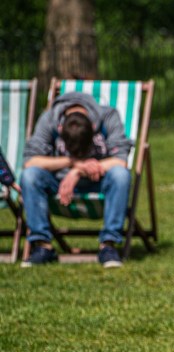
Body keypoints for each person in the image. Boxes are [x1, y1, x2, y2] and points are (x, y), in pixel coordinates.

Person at [20, 91, 132, 268]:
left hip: (97, 180)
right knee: (30, 175)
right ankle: (42, 246)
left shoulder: (108, 116)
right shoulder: (50, 119)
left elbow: (121, 160)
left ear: (93, 128)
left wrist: (76, 172)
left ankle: (108, 245)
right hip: (57, 182)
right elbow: (30, 161)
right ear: (60, 130)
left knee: (120, 175)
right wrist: (74, 163)